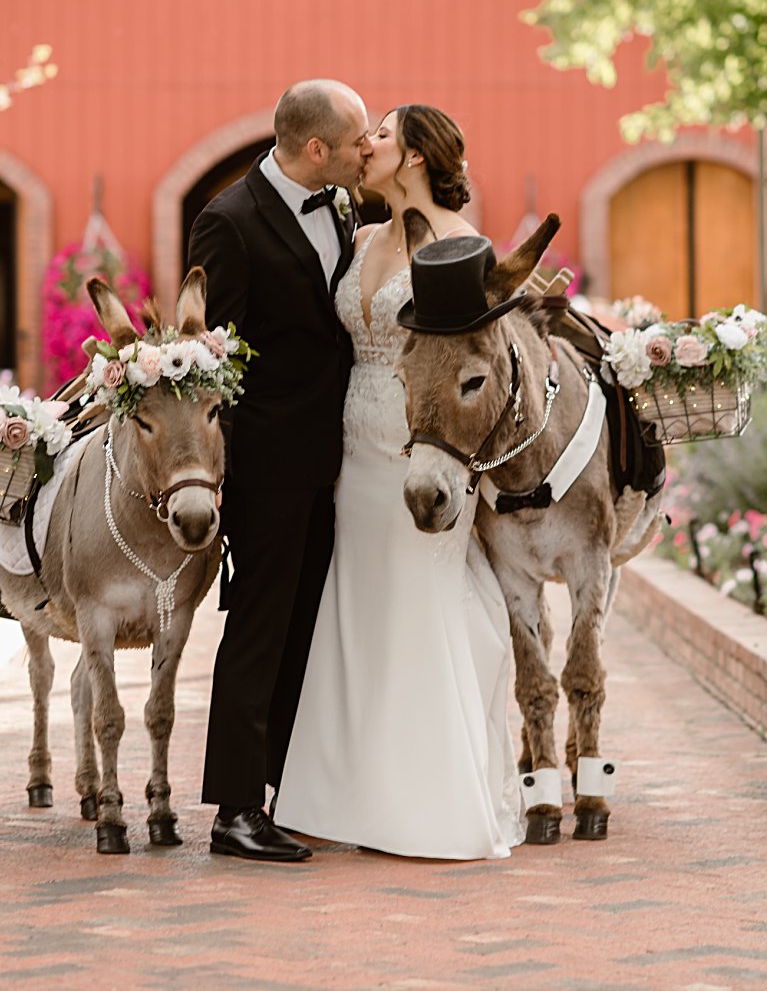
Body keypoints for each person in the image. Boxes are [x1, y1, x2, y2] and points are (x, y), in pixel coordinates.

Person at [273, 104, 525, 860]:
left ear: (414, 156)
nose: (365, 145)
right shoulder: (358, 238)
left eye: (380, 134)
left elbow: (477, 359)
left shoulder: (458, 244)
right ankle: (348, 793)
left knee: (418, 601)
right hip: (351, 444)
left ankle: (428, 800)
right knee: (358, 606)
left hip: (423, 447)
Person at [188, 79, 369, 862]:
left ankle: (286, 790)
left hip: (340, 458)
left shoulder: (343, 205)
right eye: (357, 140)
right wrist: (222, 476)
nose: (367, 150)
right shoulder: (228, 221)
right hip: (268, 466)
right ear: (317, 148)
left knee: (305, 630)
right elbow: (213, 364)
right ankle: (235, 809)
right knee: (259, 631)